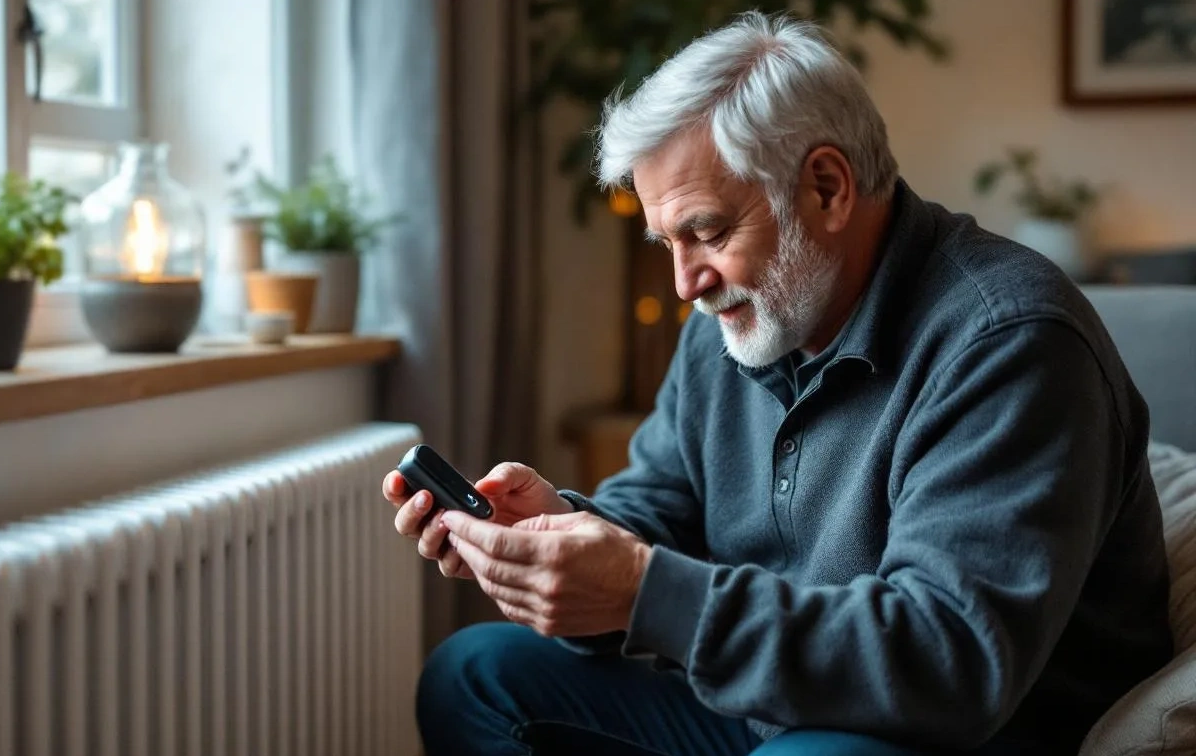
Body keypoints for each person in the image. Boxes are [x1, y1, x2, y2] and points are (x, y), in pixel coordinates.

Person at [384, 12, 1173, 756]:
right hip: (772, 702)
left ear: (826, 188)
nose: (685, 282)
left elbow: (948, 659)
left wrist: (640, 591)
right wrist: (556, 533)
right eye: (667, 240)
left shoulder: (1010, 340)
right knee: (474, 675)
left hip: (953, 730)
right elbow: (659, 509)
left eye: (706, 231)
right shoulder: (738, 321)